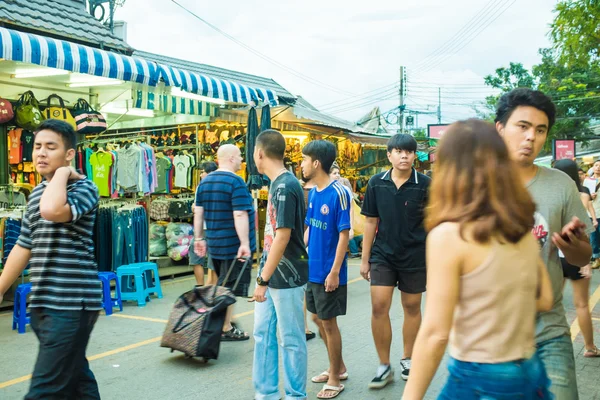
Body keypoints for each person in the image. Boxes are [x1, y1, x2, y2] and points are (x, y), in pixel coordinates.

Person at [403, 119, 554, 399]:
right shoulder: (522, 226)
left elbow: (436, 333)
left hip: (480, 378)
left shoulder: (450, 234)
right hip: (530, 373)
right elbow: (544, 299)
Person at [495, 88, 592, 399]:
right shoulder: (474, 185)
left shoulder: (560, 184)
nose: (531, 138)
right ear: (500, 129)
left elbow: (580, 258)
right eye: (522, 127)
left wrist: (572, 244)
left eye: (540, 130)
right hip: (489, 329)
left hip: (547, 327)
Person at [0, 119, 102, 399]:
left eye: (50, 147)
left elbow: (53, 210)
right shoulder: (35, 194)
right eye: (37, 147)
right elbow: (24, 245)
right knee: (77, 377)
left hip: (73, 302)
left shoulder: (85, 189)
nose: (40, 153)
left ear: (69, 154)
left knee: (45, 389)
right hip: (44, 301)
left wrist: (61, 176)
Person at [360, 133, 431, 388]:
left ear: (415, 156)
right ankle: (383, 365)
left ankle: (408, 358)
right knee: (379, 306)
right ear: (388, 155)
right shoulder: (376, 183)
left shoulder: (425, 184)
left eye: (409, 152)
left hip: (415, 255)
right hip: (383, 255)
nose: (404, 156)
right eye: (399, 151)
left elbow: (434, 224)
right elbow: (370, 221)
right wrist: (365, 259)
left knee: (412, 307)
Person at [252, 129, 308, 400]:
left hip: (286, 276)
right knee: (263, 334)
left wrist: (262, 279)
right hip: (273, 273)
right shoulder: (278, 183)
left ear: (260, 153)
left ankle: (296, 395)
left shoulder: (285, 185)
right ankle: (266, 393)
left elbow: (283, 236)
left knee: (291, 340)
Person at [302, 140, 351, 399]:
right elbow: (310, 229)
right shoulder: (315, 193)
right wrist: (299, 255)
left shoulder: (338, 192)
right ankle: (338, 367)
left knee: (328, 323)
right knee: (317, 319)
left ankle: (334, 378)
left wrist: (334, 272)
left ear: (316, 163)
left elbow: (344, 235)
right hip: (313, 270)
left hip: (329, 272)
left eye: (304, 160)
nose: (301, 165)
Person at [193, 144, 255, 341]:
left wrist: (198, 238)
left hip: (215, 244)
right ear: (230, 158)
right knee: (228, 287)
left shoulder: (205, 182)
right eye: (239, 157)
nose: (241, 160)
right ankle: (225, 328)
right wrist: (244, 243)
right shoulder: (235, 182)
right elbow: (239, 213)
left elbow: (199, 212)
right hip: (232, 246)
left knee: (221, 283)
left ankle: (224, 320)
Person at [554, 159, 600, 357]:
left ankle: (551, 346)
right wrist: (586, 261)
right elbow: (586, 227)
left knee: (552, 304)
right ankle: (590, 347)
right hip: (575, 254)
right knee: (581, 304)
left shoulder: (552, 194)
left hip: (555, 255)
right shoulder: (582, 193)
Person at [190, 161, 217, 286]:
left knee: (209, 261)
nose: (200, 175)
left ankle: (206, 288)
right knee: (198, 258)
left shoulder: (211, 187)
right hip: (205, 229)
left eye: (202, 172)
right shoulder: (202, 187)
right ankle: (204, 287)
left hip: (209, 229)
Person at [588, 160, 600, 268]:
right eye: (596, 165)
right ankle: (596, 259)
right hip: (592, 214)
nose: (598, 167)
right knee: (594, 238)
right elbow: (584, 196)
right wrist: (589, 196)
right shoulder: (587, 181)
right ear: (593, 167)